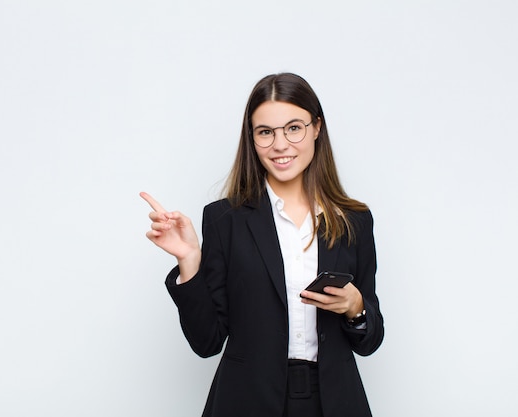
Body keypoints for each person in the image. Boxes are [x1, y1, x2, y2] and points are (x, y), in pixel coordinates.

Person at [140, 72, 384, 417]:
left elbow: (370, 341)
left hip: (334, 401)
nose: (280, 144)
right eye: (265, 132)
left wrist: (355, 305)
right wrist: (190, 260)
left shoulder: (354, 220)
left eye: (294, 128)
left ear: (316, 128)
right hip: (245, 400)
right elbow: (207, 342)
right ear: (252, 139)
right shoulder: (225, 219)